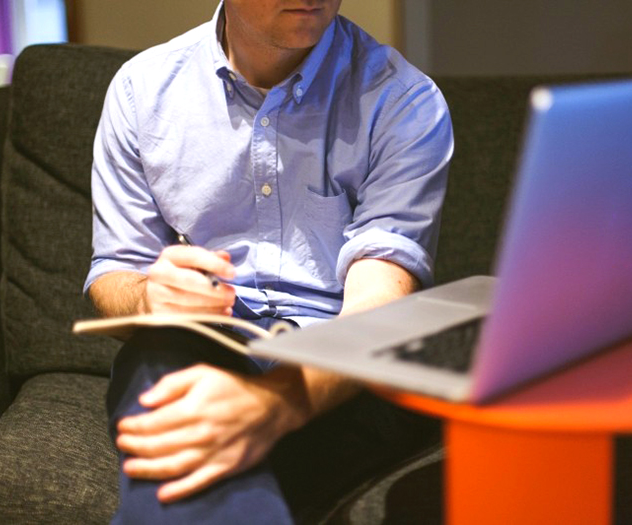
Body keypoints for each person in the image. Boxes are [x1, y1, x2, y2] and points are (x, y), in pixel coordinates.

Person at [85, 0, 453, 522]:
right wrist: (149, 296)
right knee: (156, 349)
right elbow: (116, 271)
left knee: (183, 466)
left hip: (344, 358)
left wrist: (274, 403)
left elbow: (377, 308)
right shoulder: (142, 91)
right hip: (205, 339)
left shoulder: (404, 102)